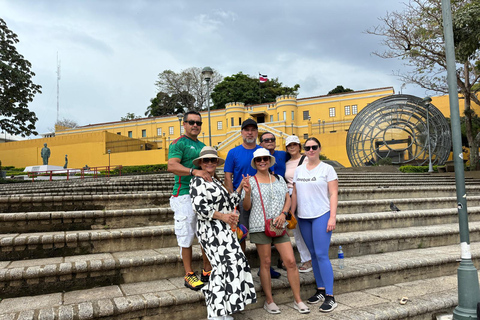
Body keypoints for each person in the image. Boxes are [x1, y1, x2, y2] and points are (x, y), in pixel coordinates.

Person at [190, 146, 256, 320]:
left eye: (213, 160)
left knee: (234, 264)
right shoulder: (198, 181)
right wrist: (224, 217)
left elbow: (229, 202)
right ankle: (215, 314)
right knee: (220, 268)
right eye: (206, 160)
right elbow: (200, 208)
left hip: (224, 231)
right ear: (201, 163)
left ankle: (224, 309)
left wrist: (241, 187)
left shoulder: (216, 181)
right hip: (211, 231)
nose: (210, 163)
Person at [242, 148, 310, 315]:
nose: (262, 161)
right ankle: (269, 300)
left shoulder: (279, 179)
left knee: (291, 262)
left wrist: (283, 214)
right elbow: (246, 207)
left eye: (265, 158)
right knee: (265, 264)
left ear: (270, 160)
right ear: (255, 163)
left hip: (279, 226)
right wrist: (248, 194)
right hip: (259, 226)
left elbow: (287, 198)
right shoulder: (250, 181)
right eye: (259, 160)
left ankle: (298, 299)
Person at [224, 119, 281, 279]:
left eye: (253, 130)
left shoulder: (263, 151)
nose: (249, 132)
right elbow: (228, 176)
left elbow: (271, 174)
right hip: (242, 199)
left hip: (262, 199)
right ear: (241, 132)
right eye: (246, 130)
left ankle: (266, 267)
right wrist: (232, 197)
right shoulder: (233, 153)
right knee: (240, 234)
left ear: (257, 133)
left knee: (266, 232)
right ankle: (241, 267)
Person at [291, 137, 338, 313]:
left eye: (314, 147)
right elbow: (295, 192)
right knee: (312, 254)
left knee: (321, 254)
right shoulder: (299, 170)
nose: (311, 150)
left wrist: (332, 217)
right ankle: (320, 289)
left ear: (319, 149)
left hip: (321, 214)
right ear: (304, 150)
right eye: (308, 147)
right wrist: (291, 212)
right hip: (304, 217)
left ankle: (330, 296)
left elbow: (333, 194)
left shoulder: (328, 169)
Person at [167, 110, 212, 291]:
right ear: (184, 124)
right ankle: (189, 274)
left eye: (198, 123)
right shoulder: (178, 143)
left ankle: (207, 270)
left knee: (204, 235)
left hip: (201, 195)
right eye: (191, 122)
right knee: (186, 236)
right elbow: (172, 165)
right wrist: (194, 171)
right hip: (184, 194)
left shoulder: (202, 145)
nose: (195, 125)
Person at [285, 135, 312, 273]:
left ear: (299, 146)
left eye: (294, 144)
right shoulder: (287, 163)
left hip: (305, 196)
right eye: (289, 145)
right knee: (296, 229)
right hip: (291, 197)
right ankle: (306, 259)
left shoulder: (307, 159)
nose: (292, 147)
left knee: (308, 228)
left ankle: (313, 257)